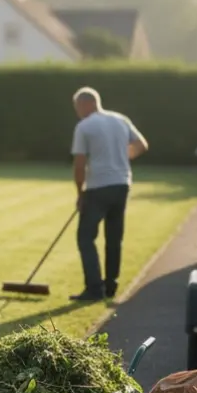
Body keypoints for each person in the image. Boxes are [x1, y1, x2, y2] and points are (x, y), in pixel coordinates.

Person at [68, 86, 149, 302]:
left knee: (85, 237)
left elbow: (79, 164)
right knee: (114, 237)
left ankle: (94, 288)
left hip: (98, 186)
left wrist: (80, 193)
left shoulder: (84, 126)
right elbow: (141, 145)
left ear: (87, 104)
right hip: (122, 183)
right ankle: (110, 285)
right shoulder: (120, 119)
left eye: (77, 106)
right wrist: (121, 158)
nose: (77, 111)